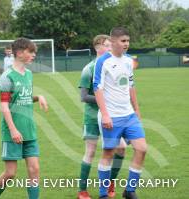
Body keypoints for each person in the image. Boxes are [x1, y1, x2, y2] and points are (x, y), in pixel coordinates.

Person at [0, 38, 48, 199]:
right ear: (20, 53)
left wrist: (38, 97)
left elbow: (23, 98)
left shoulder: (28, 74)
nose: (33, 55)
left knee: (34, 169)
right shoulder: (7, 77)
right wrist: (13, 130)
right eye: (30, 51)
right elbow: (5, 106)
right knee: (10, 174)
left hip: (29, 130)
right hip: (12, 132)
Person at [93, 27, 147, 199]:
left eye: (128, 41)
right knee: (108, 153)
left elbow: (131, 86)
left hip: (129, 115)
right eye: (123, 41)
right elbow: (97, 88)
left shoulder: (129, 61)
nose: (127, 44)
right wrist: (105, 114)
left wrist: (137, 109)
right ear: (114, 41)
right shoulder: (103, 62)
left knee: (142, 149)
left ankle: (129, 190)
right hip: (111, 116)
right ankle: (103, 194)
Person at [77, 35, 126, 199]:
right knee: (90, 152)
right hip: (92, 117)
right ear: (98, 47)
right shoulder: (88, 69)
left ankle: (109, 182)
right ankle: (82, 191)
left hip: (112, 116)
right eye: (107, 45)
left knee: (121, 148)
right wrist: (104, 100)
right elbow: (83, 97)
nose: (111, 47)